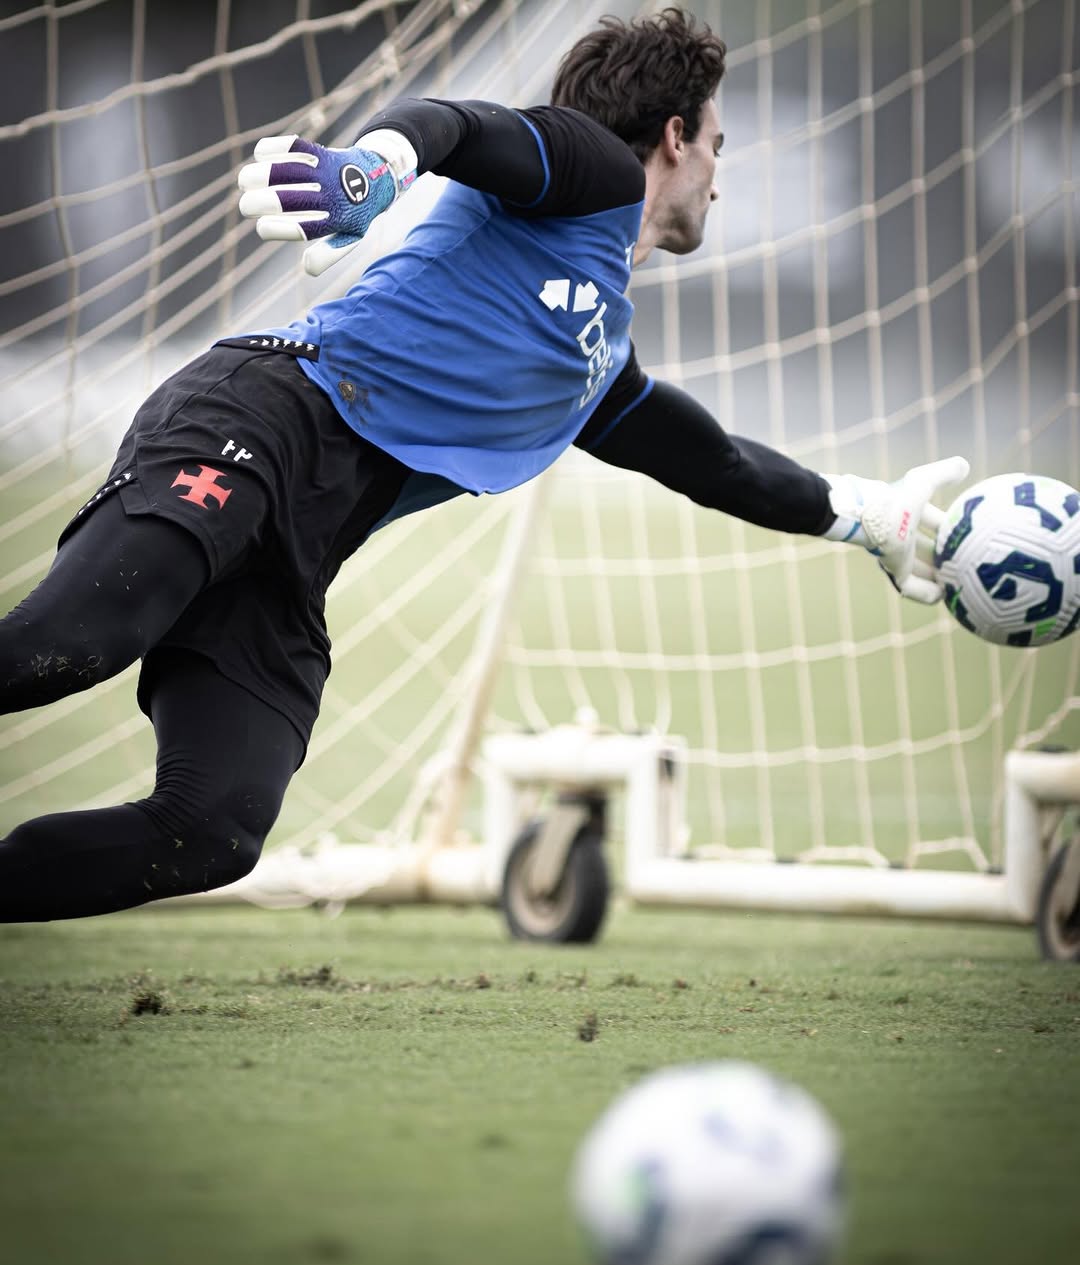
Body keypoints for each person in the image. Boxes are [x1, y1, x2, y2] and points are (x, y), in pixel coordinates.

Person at [0, 8, 966, 921]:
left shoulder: (594, 359)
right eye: (719, 145)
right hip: (255, 428)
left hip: (296, 551)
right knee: (65, 645)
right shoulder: (593, 169)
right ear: (675, 137)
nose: (719, 176)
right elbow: (458, 125)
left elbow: (716, 463)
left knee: (213, 831)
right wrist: (372, 170)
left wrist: (865, 515)